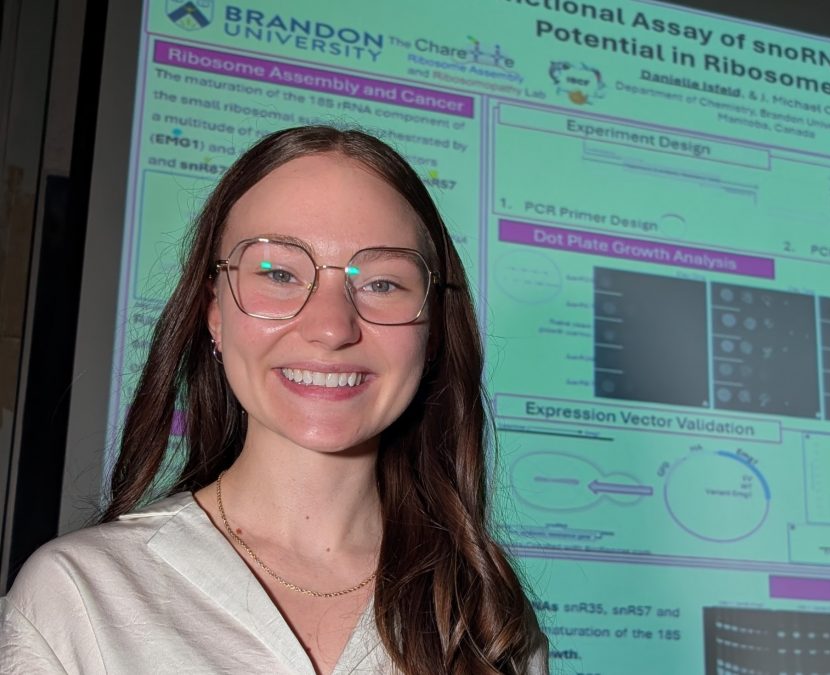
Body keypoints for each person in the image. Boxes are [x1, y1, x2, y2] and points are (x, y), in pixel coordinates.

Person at [0, 126, 547, 674]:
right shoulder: (75, 600)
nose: (332, 328)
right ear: (214, 312)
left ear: (431, 331)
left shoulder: (487, 619)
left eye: (382, 283)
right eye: (280, 274)